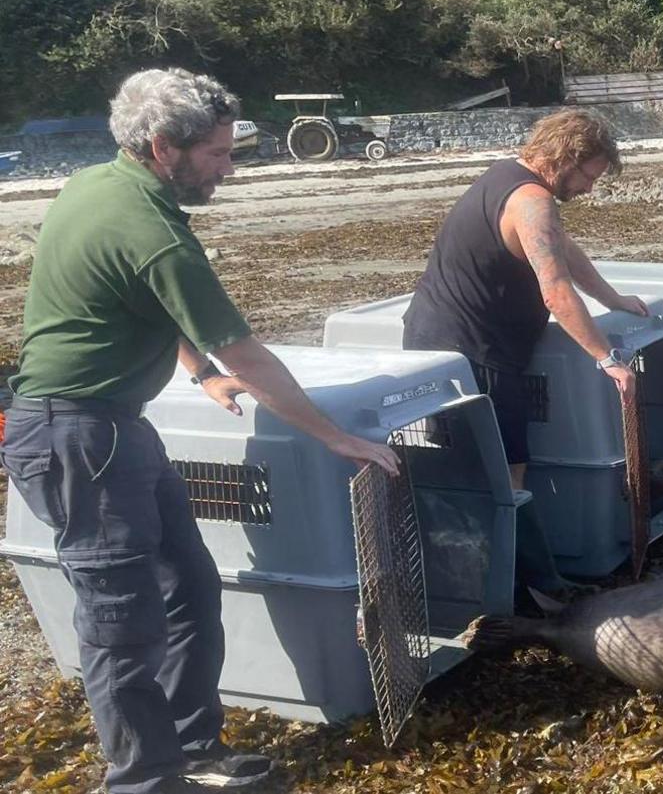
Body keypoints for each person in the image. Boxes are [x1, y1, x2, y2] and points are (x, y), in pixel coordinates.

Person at [0, 69, 402, 794]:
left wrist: (199, 371)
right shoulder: (152, 228)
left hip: (115, 427)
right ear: (163, 147)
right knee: (122, 623)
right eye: (217, 154)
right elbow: (248, 350)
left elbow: (146, 305)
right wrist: (333, 435)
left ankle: (190, 749)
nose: (229, 168)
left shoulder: (103, 186)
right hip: (76, 436)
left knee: (187, 585)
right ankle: (142, 782)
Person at [404, 108, 648, 494]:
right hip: (473, 352)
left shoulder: (507, 176)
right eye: (589, 177)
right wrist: (607, 359)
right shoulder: (532, 200)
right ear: (565, 158)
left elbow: (562, 249)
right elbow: (555, 291)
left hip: (442, 336)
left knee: (479, 464)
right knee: (506, 472)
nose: (588, 189)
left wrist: (612, 298)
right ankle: (505, 553)